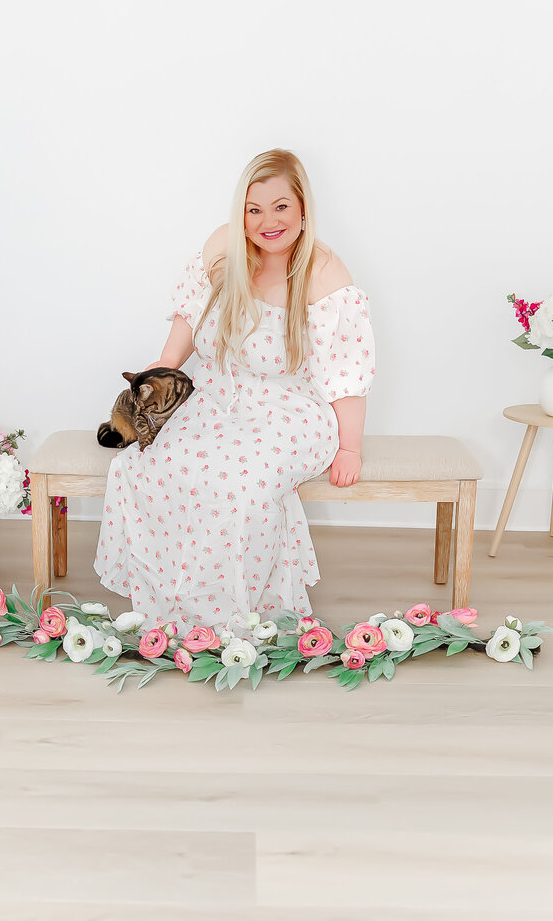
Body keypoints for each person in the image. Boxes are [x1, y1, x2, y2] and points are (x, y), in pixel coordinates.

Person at [93, 148, 375, 632]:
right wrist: (161, 369)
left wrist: (350, 447)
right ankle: (170, 604)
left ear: (303, 207)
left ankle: (232, 615)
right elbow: (188, 320)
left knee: (240, 479)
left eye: (281, 206)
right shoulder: (226, 248)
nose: (268, 221)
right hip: (216, 393)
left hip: (291, 408)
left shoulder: (324, 272)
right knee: (145, 457)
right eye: (254, 208)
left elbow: (345, 373)